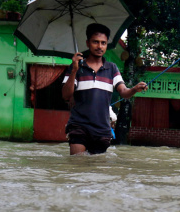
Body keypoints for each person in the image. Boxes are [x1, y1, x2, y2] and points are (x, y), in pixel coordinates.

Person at [62, 23, 147, 155]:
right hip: (79, 125)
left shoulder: (112, 68)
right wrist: (74, 70)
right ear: (88, 43)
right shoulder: (76, 68)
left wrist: (135, 89)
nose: (100, 46)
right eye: (95, 42)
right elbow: (66, 95)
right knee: (76, 165)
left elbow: (124, 93)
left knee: (98, 170)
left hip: (102, 129)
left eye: (103, 43)